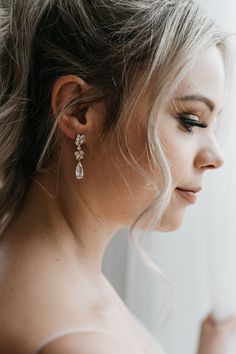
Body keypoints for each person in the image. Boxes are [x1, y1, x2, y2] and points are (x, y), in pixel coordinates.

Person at [0, 0, 236, 353]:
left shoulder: (62, 276)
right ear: (78, 110)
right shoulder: (74, 341)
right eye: (191, 120)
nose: (215, 157)